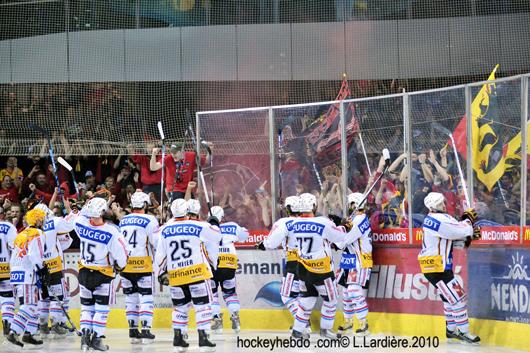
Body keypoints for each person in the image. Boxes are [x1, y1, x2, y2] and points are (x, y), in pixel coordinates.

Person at [155, 199, 222, 352]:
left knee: (180, 307)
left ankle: (178, 338)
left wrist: (161, 272)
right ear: (187, 211)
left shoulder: (165, 229)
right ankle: (204, 338)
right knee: (202, 306)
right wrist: (214, 222)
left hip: (176, 275)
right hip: (196, 273)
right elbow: (217, 236)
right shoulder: (198, 225)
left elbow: (160, 255)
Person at [418, 192, 480, 344]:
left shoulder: (437, 218)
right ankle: (464, 332)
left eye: (443, 202)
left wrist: (468, 234)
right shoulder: (437, 219)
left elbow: (453, 236)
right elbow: (457, 231)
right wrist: (467, 221)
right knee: (458, 298)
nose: (444, 205)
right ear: (433, 206)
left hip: (436, 266)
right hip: (436, 268)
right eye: (440, 204)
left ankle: (451, 330)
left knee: (448, 298)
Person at [287, 193, 351, 339]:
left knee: (306, 300)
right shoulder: (322, 222)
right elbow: (338, 236)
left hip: (302, 267)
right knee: (331, 299)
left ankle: (297, 332)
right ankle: (326, 331)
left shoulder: (294, 223)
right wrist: (344, 226)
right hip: (321, 269)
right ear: (314, 206)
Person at [75, 197, 128, 352]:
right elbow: (122, 257)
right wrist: (120, 266)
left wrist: (87, 205)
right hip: (103, 275)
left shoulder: (79, 224)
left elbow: (81, 214)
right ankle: (96, 340)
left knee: (86, 308)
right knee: (101, 309)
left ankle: (84, 341)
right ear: (104, 211)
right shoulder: (111, 231)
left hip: (84, 272)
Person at [118, 191, 159, 344]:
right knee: (146, 297)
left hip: (126, 264)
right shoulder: (150, 219)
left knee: (131, 298)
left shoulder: (123, 220)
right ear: (145, 204)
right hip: (143, 264)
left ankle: (133, 332)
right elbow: (155, 242)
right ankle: (146, 330)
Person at [6, 209, 48, 348]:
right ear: (38, 220)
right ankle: (14, 332)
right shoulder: (38, 233)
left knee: (33, 304)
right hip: (28, 273)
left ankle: (29, 333)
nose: (43, 221)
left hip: (16, 273)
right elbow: (35, 255)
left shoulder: (21, 234)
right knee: (29, 305)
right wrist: (42, 270)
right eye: (42, 219)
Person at [256, 196, 301, 325]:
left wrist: (263, 245)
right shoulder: (310, 221)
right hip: (313, 263)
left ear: (287, 209)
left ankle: (302, 324)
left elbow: (271, 243)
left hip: (294, 264)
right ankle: (303, 324)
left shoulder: (284, 222)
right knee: (303, 296)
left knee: (287, 296)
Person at [33, 203, 75, 338]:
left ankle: (43, 325)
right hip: (54, 266)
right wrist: (72, 211)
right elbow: (70, 226)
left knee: (43, 297)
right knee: (59, 296)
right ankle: (57, 324)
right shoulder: (54, 222)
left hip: (39, 267)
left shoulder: (29, 229)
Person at [209, 205, 249, 334]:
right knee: (230, 293)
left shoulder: (205, 227)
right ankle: (235, 318)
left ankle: (217, 321)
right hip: (228, 264)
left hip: (212, 265)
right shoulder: (232, 225)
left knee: (212, 295)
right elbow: (244, 236)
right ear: (222, 217)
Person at [336, 193, 372, 335]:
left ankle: (363, 323)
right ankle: (348, 322)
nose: (348, 206)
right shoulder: (355, 219)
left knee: (353, 291)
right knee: (345, 292)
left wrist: (340, 230)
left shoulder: (360, 220)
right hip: (349, 258)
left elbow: (343, 242)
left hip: (360, 258)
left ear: (354, 204)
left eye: (350, 204)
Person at [0, 211, 17, 338]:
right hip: (6, 269)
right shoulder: (9, 227)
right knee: (8, 297)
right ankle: (7, 319)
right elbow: (14, 247)